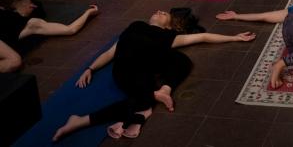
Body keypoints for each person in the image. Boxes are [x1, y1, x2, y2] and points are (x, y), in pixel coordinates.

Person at [52, 8, 255, 141]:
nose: (158, 12)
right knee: (145, 95)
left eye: (164, 13)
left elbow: (203, 37)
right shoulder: (136, 26)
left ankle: (158, 94)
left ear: (169, 25)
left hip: (142, 76)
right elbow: (111, 53)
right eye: (157, 11)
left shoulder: (169, 36)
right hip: (124, 72)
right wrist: (90, 68)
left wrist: (234, 38)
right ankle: (149, 101)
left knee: (181, 61)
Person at [0, 0, 99, 73]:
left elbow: (70, 29)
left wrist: (88, 12)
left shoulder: (32, 24)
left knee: (15, 61)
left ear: (32, 7)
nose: (23, 2)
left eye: (26, 1)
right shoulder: (6, 10)